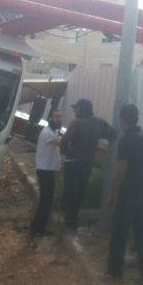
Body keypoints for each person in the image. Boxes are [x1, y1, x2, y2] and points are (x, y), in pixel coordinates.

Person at [106, 104, 143, 284]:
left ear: (122, 120)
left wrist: (112, 193)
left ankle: (114, 273)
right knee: (142, 235)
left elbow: (121, 169)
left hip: (127, 194)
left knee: (119, 234)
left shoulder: (126, 140)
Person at [61, 98, 117, 233]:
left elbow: (65, 140)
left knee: (70, 193)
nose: (74, 111)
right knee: (80, 193)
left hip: (73, 162)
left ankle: (70, 223)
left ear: (81, 109)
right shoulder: (99, 123)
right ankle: (73, 222)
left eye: (76, 108)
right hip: (87, 164)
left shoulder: (76, 123)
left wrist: (66, 152)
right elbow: (113, 134)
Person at [30, 109, 63, 236]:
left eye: (60, 117)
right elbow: (61, 144)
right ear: (50, 118)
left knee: (45, 200)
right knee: (46, 201)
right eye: (56, 117)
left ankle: (36, 226)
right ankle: (39, 229)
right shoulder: (48, 133)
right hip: (46, 170)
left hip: (46, 169)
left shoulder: (52, 131)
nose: (58, 119)